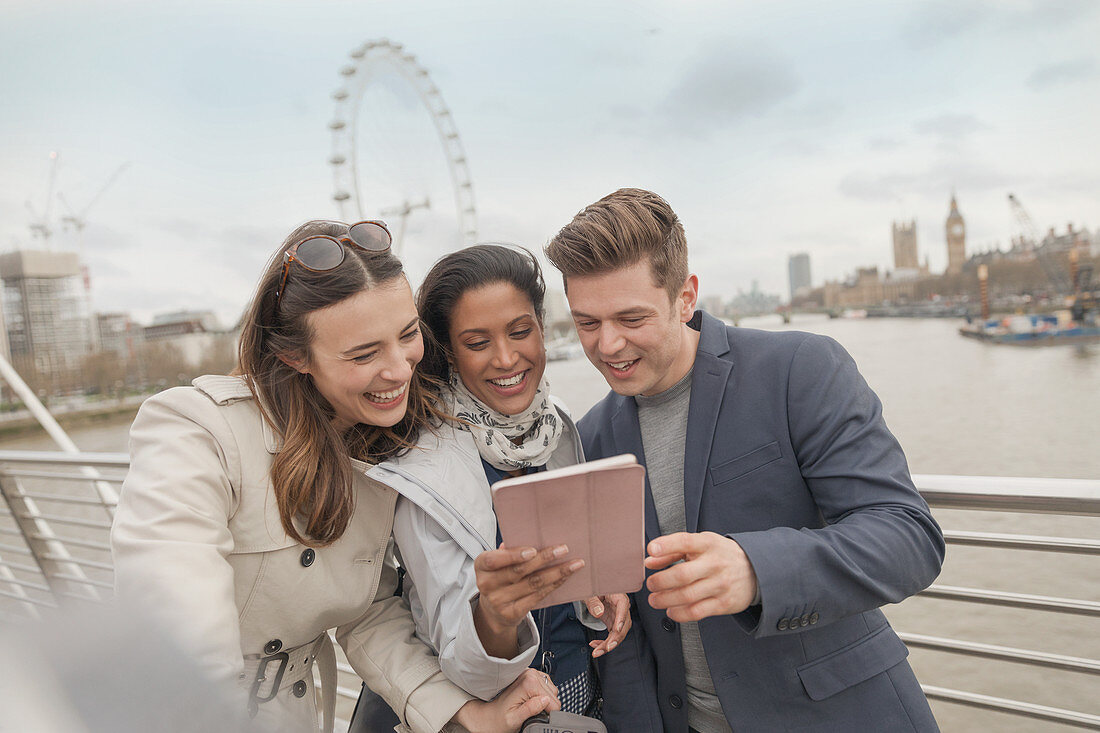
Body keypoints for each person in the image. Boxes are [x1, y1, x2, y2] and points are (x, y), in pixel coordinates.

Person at [111, 220, 560, 733]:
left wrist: (460, 715)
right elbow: (179, 652)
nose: (399, 369)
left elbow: (367, 611)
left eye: (408, 335)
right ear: (293, 355)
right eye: (364, 354)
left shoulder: (383, 449)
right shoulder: (197, 432)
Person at [544, 189, 945, 732]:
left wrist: (755, 570)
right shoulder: (589, 437)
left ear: (685, 297)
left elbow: (908, 539)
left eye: (631, 318)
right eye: (587, 323)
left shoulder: (800, 369)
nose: (608, 344)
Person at [364, 244, 630, 719]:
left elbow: (567, 566)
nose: (507, 358)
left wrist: (598, 583)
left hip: (583, 705)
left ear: (542, 330)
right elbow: (459, 659)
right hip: (502, 716)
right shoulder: (420, 470)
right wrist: (496, 615)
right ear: (447, 351)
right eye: (478, 342)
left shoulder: (558, 423)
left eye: (520, 332)